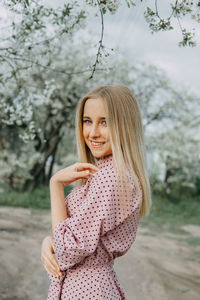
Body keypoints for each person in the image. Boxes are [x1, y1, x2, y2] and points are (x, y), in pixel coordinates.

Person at [41, 85, 152, 300]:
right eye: (87, 121)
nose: (93, 133)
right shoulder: (107, 172)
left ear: (125, 126)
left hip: (87, 291)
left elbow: (68, 250)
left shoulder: (111, 177)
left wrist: (55, 184)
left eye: (105, 122)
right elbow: (69, 235)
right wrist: (49, 241)